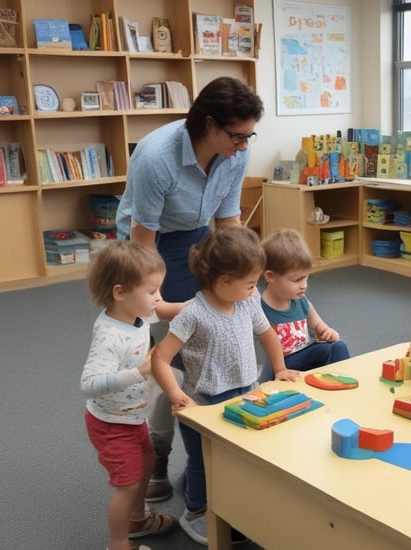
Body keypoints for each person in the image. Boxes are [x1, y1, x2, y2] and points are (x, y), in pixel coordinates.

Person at [116, 76, 264, 502]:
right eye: (237, 135)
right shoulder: (156, 157)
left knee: (226, 331)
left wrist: (244, 276)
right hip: (152, 244)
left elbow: (229, 221)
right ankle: (159, 455)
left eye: (248, 135)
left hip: (201, 237)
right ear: (210, 124)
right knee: (177, 357)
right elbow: (144, 238)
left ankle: (220, 447)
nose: (243, 144)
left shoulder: (235, 152)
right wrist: (154, 305)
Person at [151, 226, 300, 545]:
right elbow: (160, 358)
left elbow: (267, 334)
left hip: (246, 393)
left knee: (241, 457)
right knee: (203, 462)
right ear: (223, 281)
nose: (254, 289)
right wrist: (176, 394)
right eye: (249, 283)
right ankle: (195, 512)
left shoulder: (247, 302)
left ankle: (234, 505)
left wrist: (280, 367)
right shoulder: (194, 314)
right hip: (203, 404)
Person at [80, 241, 180, 550]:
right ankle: (118, 543)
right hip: (111, 424)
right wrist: (139, 372)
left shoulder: (138, 313)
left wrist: (199, 306)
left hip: (133, 415)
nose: (158, 298)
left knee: (148, 461)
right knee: (128, 485)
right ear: (120, 292)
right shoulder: (110, 336)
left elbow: (165, 311)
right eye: (152, 291)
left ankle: (137, 519)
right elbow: (90, 383)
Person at [261, 229, 350, 373]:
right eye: (297, 279)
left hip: (306, 357)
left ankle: (343, 380)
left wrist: (327, 332)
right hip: (282, 365)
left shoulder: (301, 301)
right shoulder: (260, 308)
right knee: (324, 350)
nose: (304, 285)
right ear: (271, 276)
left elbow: (318, 325)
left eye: (306, 277)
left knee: (338, 345)